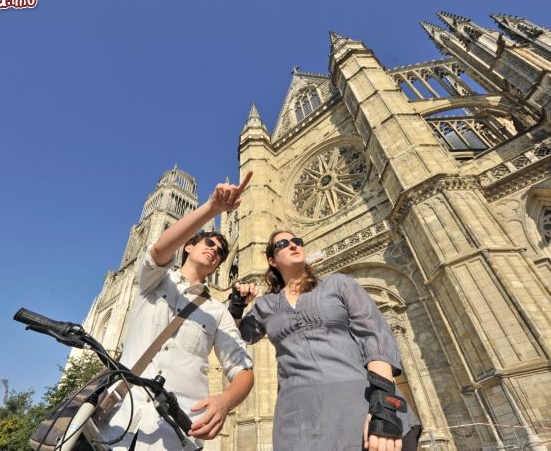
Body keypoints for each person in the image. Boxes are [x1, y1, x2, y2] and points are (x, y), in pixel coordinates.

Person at [102, 173, 255, 451]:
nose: (215, 250)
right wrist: (213, 208)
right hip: (118, 422)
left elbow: (243, 368)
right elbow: (159, 249)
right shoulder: (155, 281)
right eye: (209, 243)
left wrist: (225, 400)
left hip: (174, 433)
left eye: (221, 252)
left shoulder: (216, 310)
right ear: (188, 246)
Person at [230, 230, 421, 451]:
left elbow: (375, 337)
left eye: (297, 241)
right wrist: (237, 304)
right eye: (283, 243)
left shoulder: (338, 284)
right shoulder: (265, 305)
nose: (293, 245)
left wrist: (384, 409)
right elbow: (239, 335)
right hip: (299, 420)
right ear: (271, 260)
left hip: (361, 405)